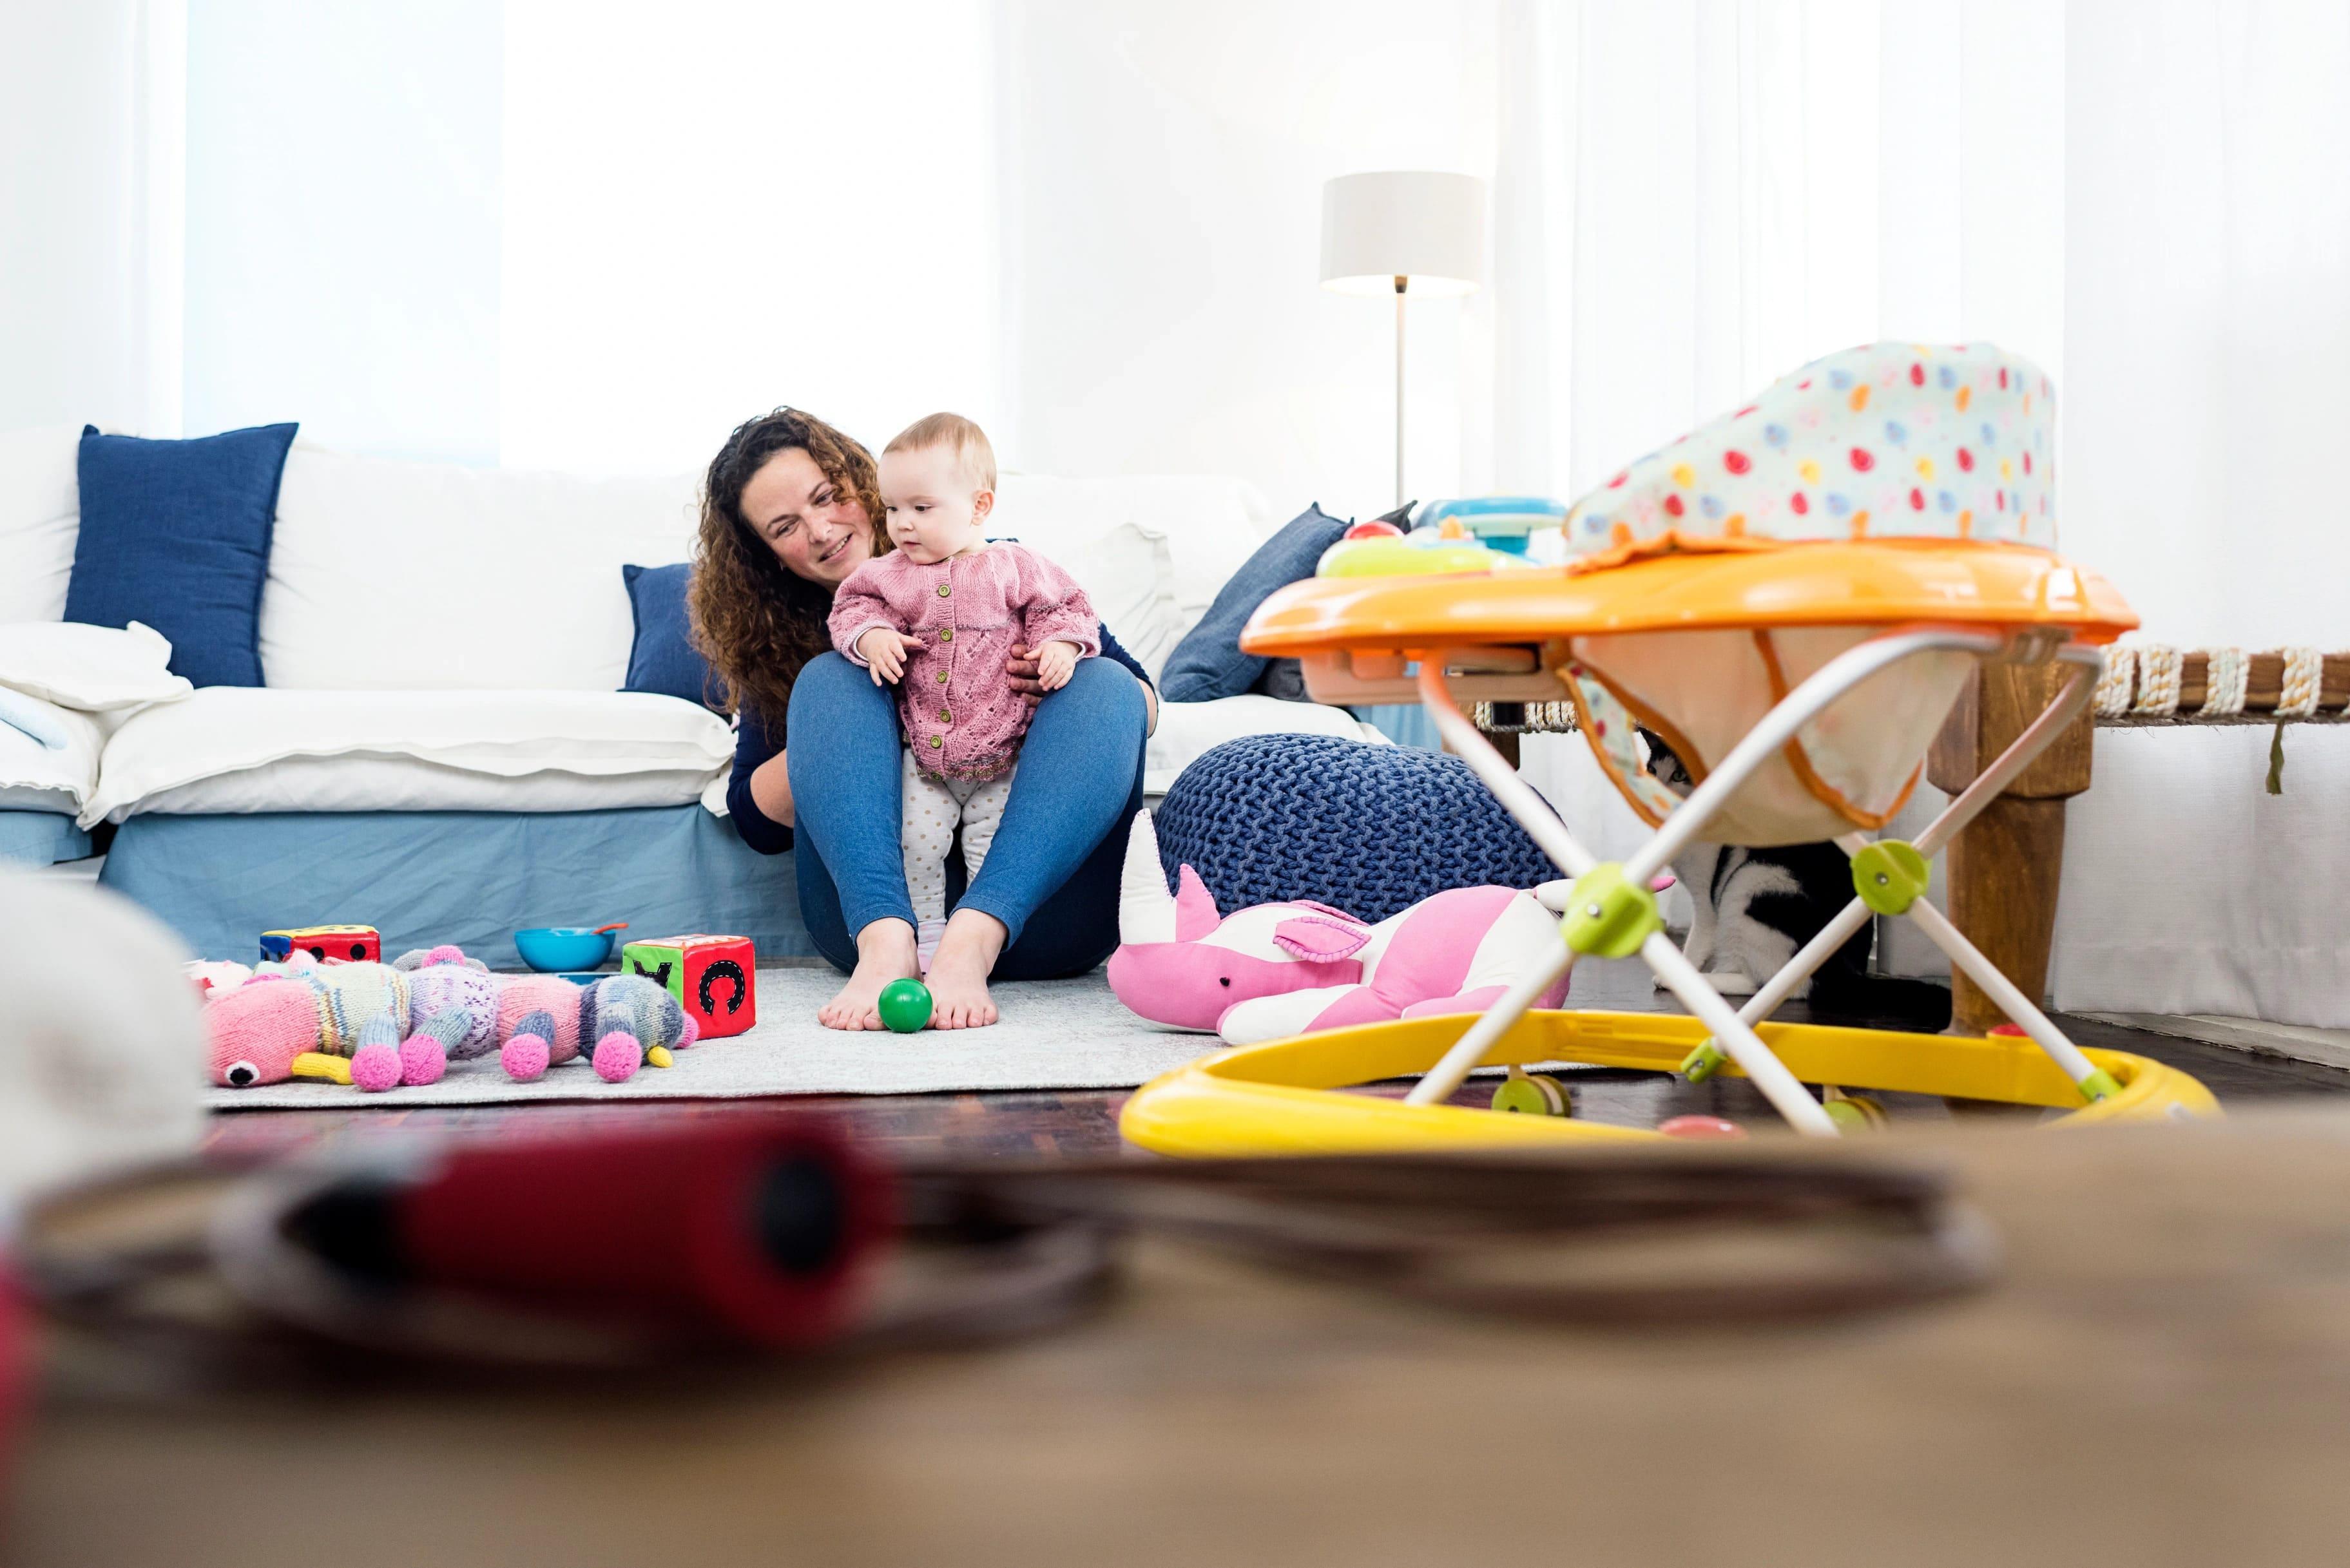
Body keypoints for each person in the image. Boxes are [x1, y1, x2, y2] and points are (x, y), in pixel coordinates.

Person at [690, 407, 1153, 1032]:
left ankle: (975, 934)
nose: (822, 528)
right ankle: (888, 944)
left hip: (1043, 913)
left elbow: (1137, 703)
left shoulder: (995, 568)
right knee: (832, 679)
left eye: (827, 496)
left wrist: (1045, 680)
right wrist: (851, 720)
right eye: (786, 526)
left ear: (860, 480)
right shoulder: (777, 646)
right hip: (874, 920)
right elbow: (754, 822)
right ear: (767, 556)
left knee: (1102, 681)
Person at [829, 413, 1101, 974]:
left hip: (1003, 755)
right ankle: (924, 932)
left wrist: (1061, 648)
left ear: (979, 507)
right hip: (925, 755)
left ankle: (975, 940)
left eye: (921, 508)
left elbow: (1065, 609)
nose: (902, 524)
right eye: (892, 508)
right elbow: (852, 606)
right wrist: (872, 635)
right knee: (915, 846)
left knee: (993, 849)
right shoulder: (891, 573)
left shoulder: (1014, 566)